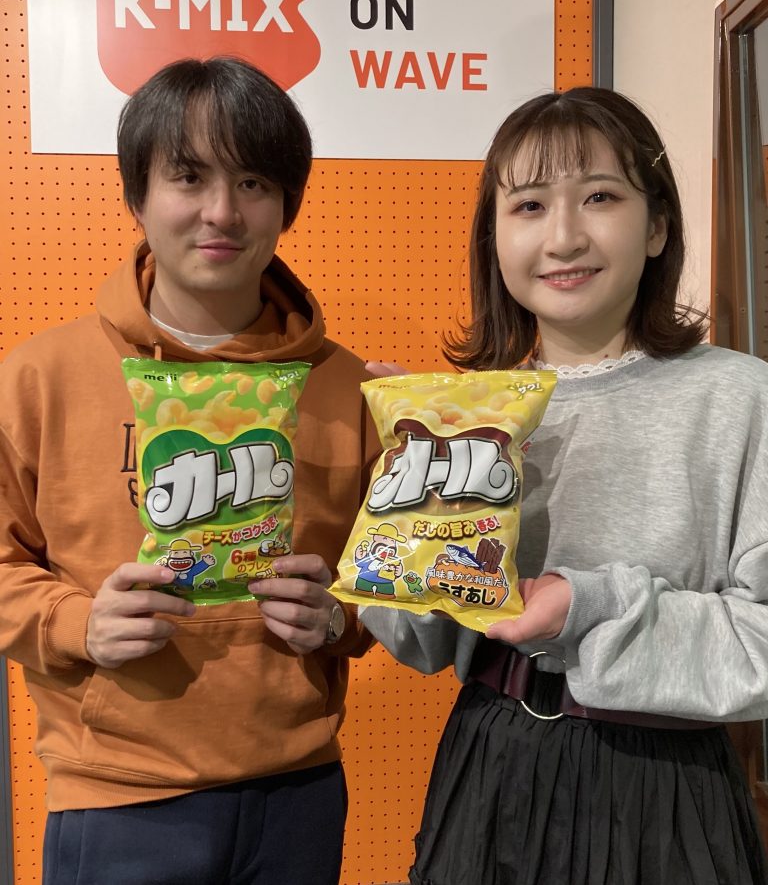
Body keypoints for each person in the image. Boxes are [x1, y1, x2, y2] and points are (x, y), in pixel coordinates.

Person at [362, 86, 768, 885]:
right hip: (490, 765)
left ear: (657, 226)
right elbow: (418, 642)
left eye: (601, 197)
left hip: (667, 786)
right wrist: (409, 511)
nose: (563, 236)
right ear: (494, 239)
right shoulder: (469, 412)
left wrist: (585, 608)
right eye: (529, 205)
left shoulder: (740, 397)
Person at [0, 57, 378, 885]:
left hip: (299, 790)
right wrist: (75, 623)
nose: (221, 212)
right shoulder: (38, 378)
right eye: (188, 176)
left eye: (252, 182)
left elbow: (382, 584)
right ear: (137, 196)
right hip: (115, 794)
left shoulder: (350, 388)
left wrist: (338, 617)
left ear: (286, 204)